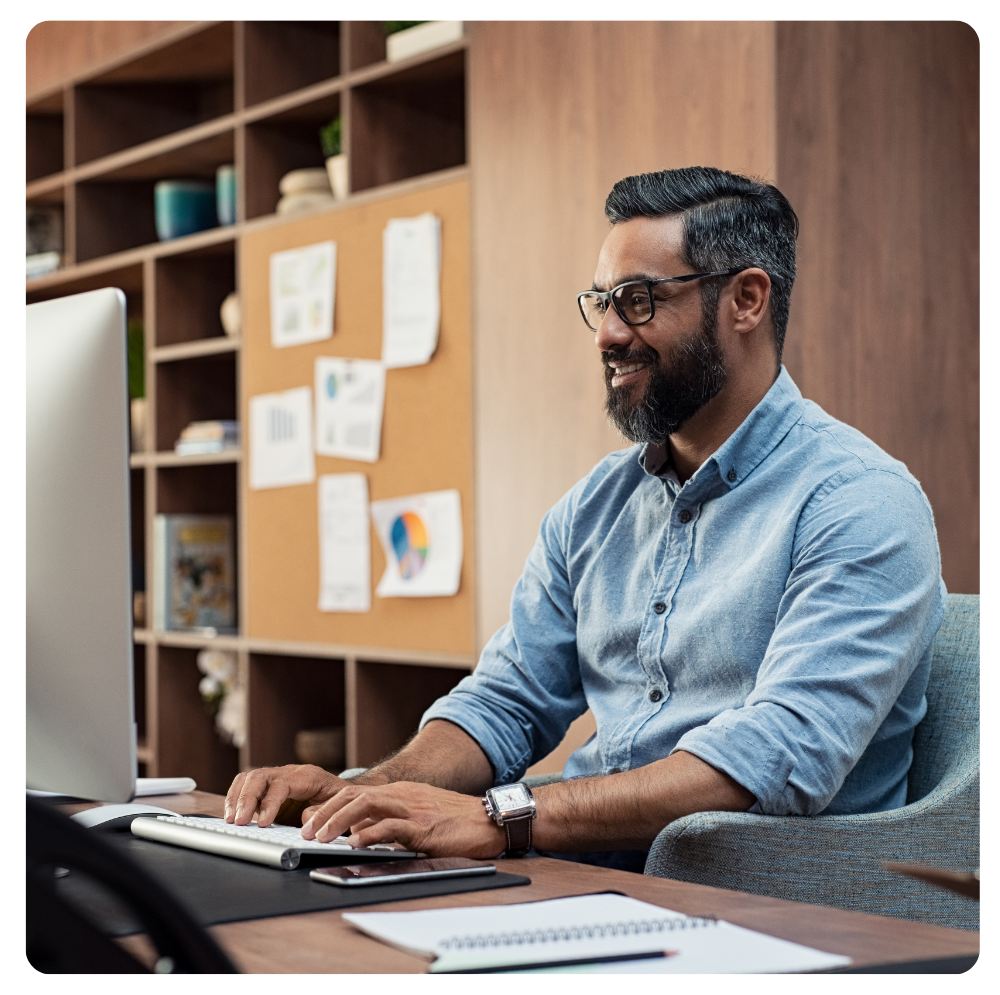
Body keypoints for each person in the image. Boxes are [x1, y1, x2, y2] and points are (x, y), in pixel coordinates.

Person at [225, 167, 944, 871]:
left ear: (746, 300)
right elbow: (509, 700)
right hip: (581, 875)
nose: (605, 334)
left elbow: (778, 755)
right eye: (600, 302)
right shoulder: (595, 506)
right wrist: (366, 795)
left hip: (765, 907)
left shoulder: (859, 501)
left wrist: (503, 818)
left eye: (636, 300)